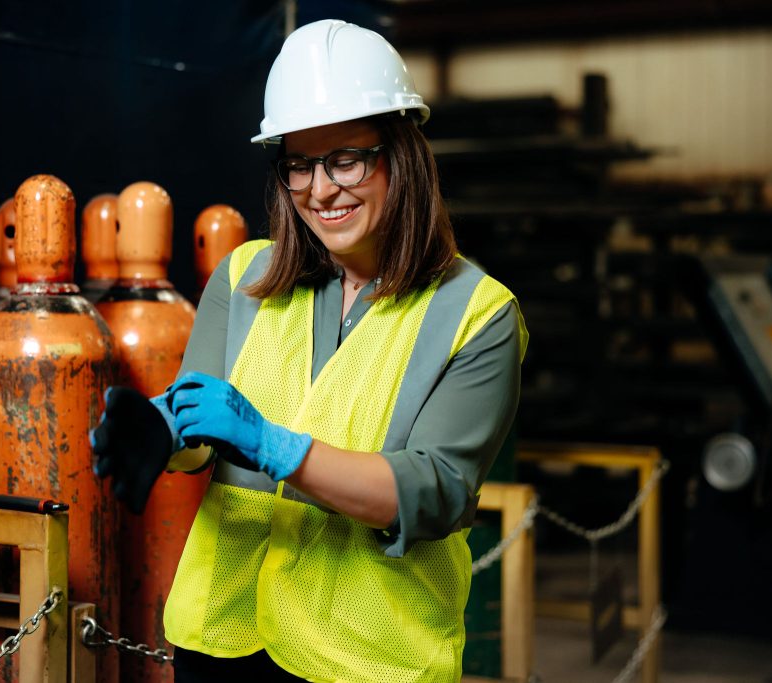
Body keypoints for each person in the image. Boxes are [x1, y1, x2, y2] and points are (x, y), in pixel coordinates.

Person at [91, 18, 527, 683]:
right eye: (298, 164)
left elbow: (434, 490)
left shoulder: (476, 313)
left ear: (401, 154)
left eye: (345, 158)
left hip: (367, 657)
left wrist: (275, 446)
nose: (321, 190)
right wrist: (165, 428)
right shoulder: (243, 279)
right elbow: (200, 419)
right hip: (223, 635)